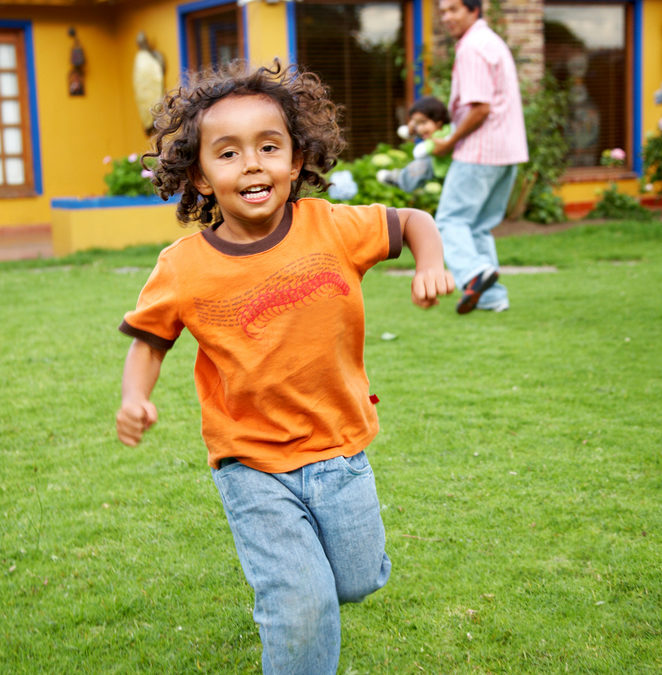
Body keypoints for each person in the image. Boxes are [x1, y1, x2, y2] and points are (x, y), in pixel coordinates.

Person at [115, 60, 454, 675]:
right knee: (302, 604)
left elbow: (415, 223)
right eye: (228, 153)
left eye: (269, 147)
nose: (252, 164)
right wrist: (135, 396)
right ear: (198, 174)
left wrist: (429, 261)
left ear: (296, 160)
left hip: (341, 449)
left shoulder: (333, 228)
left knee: (353, 581)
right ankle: (288, 602)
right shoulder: (183, 267)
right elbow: (149, 340)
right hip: (251, 462)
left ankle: (303, 586)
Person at [433, 0, 529, 314]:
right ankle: (492, 297)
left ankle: (475, 273)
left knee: (449, 221)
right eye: (442, 11)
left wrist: (449, 141)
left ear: (474, 10)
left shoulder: (472, 46)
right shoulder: (492, 42)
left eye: (453, 10)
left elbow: (480, 107)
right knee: (479, 226)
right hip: (508, 151)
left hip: (479, 151)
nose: (446, 17)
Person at [377, 96, 452, 192]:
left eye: (423, 122)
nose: (420, 128)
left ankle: (401, 179)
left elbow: (419, 152)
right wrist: (413, 127)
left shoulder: (441, 135)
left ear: (439, 122)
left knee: (422, 164)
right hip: (440, 169)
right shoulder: (439, 130)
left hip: (443, 170)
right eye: (417, 124)